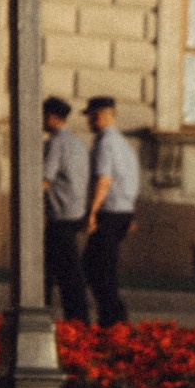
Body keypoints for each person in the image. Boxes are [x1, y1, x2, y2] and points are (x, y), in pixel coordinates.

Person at [80, 96, 139, 327]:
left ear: (100, 116)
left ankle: (114, 320)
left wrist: (92, 212)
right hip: (123, 211)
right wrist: (131, 213)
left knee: (96, 268)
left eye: (90, 117)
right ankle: (113, 318)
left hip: (109, 212)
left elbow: (104, 180)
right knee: (103, 267)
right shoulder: (124, 144)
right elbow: (130, 180)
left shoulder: (104, 143)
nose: (88, 122)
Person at [40, 96, 92, 323]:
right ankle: (44, 310)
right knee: (50, 266)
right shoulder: (77, 142)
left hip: (60, 214)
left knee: (66, 271)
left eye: (43, 116)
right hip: (75, 211)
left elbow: (45, 179)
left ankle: (77, 318)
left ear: (52, 118)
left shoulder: (56, 143)